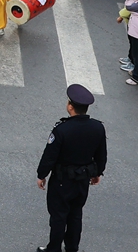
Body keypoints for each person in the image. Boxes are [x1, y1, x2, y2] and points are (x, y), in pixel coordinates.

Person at [35, 84, 107, 252]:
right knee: (75, 215)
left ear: (70, 106)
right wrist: (98, 172)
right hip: (82, 180)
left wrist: (41, 175)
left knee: (59, 217)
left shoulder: (62, 130)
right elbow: (101, 154)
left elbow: (50, 156)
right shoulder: (97, 127)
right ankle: (72, 248)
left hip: (62, 181)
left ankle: (54, 248)